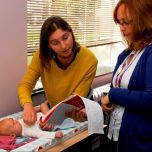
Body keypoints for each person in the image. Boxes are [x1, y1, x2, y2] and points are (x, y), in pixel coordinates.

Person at [18, 16, 98, 127]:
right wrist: (27, 105)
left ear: (71, 33)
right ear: (48, 45)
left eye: (65, 37)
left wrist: (51, 117)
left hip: (80, 110)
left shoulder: (89, 59)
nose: (64, 46)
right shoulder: (41, 57)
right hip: (55, 108)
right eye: (55, 43)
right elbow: (25, 85)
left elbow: (75, 99)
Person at [101, 0, 152, 152]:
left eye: (126, 22)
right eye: (119, 23)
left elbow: (150, 98)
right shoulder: (125, 55)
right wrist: (104, 103)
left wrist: (112, 95)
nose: (122, 28)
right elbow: (114, 90)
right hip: (115, 135)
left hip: (139, 142)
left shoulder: (150, 52)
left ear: (144, 20)